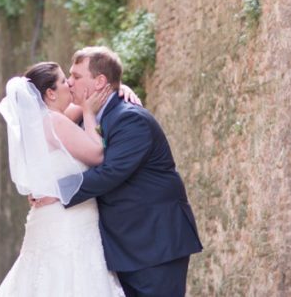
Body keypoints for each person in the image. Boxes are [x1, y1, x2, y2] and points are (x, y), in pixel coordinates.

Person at [48, 46, 203, 297]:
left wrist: (54, 191)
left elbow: (111, 172)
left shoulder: (130, 119)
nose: (69, 82)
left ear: (99, 81)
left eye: (77, 76)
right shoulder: (83, 118)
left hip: (154, 244)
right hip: (122, 247)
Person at [0, 61, 126, 296]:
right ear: (51, 93)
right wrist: (87, 111)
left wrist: (120, 90)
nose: (70, 84)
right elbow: (96, 155)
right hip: (69, 223)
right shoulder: (55, 122)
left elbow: (80, 110)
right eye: (64, 81)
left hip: (47, 219)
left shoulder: (37, 124)